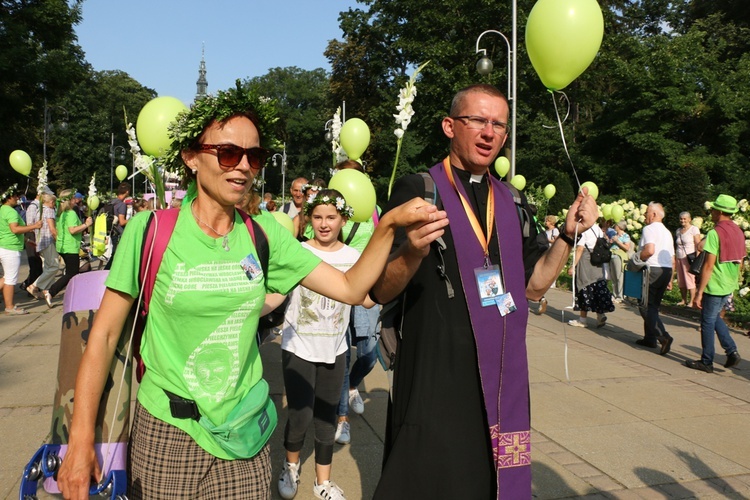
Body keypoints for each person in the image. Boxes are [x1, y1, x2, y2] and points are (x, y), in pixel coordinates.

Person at [56, 84, 444, 500]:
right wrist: (80, 442)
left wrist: (389, 230)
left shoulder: (263, 237)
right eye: (227, 153)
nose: (242, 166)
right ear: (190, 157)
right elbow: (105, 335)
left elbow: (351, 288)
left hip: (245, 434)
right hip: (168, 432)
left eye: (254, 156)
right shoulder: (151, 231)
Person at [370, 84, 598, 499]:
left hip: (497, 376)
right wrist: (411, 253)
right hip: (435, 377)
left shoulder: (510, 200)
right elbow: (379, 290)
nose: (489, 132)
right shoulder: (419, 191)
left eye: (498, 124)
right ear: (449, 126)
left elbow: (534, 285)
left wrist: (567, 235)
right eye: (478, 120)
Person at [278, 189, 368, 500]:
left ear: (343, 219)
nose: (324, 224)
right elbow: (277, 293)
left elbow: (368, 298)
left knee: (327, 419)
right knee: (300, 416)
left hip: (335, 350)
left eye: (331, 217)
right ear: (309, 219)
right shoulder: (298, 252)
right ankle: (290, 467)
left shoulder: (354, 258)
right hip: (298, 347)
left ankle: (323, 483)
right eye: (318, 217)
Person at [332, 160, 382, 446]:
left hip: (367, 293)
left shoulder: (374, 212)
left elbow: (386, 245)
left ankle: (352, 384)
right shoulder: (331, 211)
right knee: (343, 354)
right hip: (337, 289)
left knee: (369, 353)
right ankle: (342, 418)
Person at [685, 195, 744, 373]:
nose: (711, 212)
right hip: (728, 283)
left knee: (707, 321)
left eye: (713, 209)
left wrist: (699, 292)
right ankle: (731, 351)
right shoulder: (738, 231)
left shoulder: (714, 233)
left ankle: (707, 361)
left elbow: (709, 266)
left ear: (719, 212)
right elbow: (740, 260)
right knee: (713, 317)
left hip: (715, 283)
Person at [635, 202, 675, 355]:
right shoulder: (667, 232)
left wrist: (636, 259)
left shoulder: (649, 229)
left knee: (645, 305)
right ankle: (650, 338)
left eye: (647, 213)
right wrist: (671, 278)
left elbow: (649, 250)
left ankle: (662, 336)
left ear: (653, 215)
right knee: (654, 306)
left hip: (652, 269)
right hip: (665, 270)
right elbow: (672, 258)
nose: (645, 215)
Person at [45, 189, 93, 306]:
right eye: (73, 198)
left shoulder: (62, 214)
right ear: (69, 200)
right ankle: (51, 291)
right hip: (70, 246)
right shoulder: (70, 213)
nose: (75, 200)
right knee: (72, 272)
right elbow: (72, 230)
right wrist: (86, 224)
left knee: (73, 272)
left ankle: (75, 294)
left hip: (64, 246)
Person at [0, 185, 43, 314]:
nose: (17, 198)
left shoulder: (2, 210)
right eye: (15, 196)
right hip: (10, 248)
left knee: (6, 278)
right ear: (9, 198)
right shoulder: (11, 211)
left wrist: (28, 241)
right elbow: (15, 229)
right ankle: (10, 307)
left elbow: (8, 231)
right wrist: (34, 226)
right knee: (10, 279)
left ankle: (9, 305)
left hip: (4, 245)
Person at [567, 223, 615, 328]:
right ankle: (600, 315)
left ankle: (583, 320)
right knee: (597, 288)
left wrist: (573, 266)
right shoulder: (598, 229)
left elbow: (580, 249)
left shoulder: (584, 230)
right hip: (598, 262)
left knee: (584, 287)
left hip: (586, 262)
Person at [28, 192, 60, 307]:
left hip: (40, 241)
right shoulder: (49, 210)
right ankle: (35, 285)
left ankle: (46, 290)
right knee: (54, 266)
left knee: (47, 266)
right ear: (51, 202)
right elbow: (52, 229)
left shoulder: (39, 210)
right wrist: (58, 240)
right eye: (54, 202)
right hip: (48, 242)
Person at [674, 211, 701, 307]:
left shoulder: (694, 229)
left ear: (689, 219)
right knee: (681, 280)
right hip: (679, 257)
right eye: (681, 218)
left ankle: (691, 301)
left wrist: (697, 258)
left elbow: (698, 244)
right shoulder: (678, 231)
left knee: (690, 279)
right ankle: (683, 299)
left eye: (685, 218)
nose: (682, 220)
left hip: (689, 258)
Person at [19, 189, 43, 294]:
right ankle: (29, 286)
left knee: (38, 263)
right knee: (35, 263)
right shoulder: (33, 207)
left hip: (37, 235)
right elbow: (29, 225)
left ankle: (33, 285)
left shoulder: (40, 206)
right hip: (32, 234)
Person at [103, 182, 131, 270]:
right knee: (116, 254)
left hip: (111, 230)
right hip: (118, 232)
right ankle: (107, 271)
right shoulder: (122, 205)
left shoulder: (111, 202)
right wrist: (133, 219)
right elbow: (122, 222)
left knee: (115, 254)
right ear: (127, 191)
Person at [609, 220, 633, 303]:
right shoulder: (615, 234)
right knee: (613, 276)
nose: (614, 226)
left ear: (619, 226)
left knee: (619, 276)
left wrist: (617, 241)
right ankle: (614, 294)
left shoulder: (625, 236)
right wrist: (610, 242)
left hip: (619, 257)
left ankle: (620, 296)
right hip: (612, 256)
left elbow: (627, 248)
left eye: (616, 225)